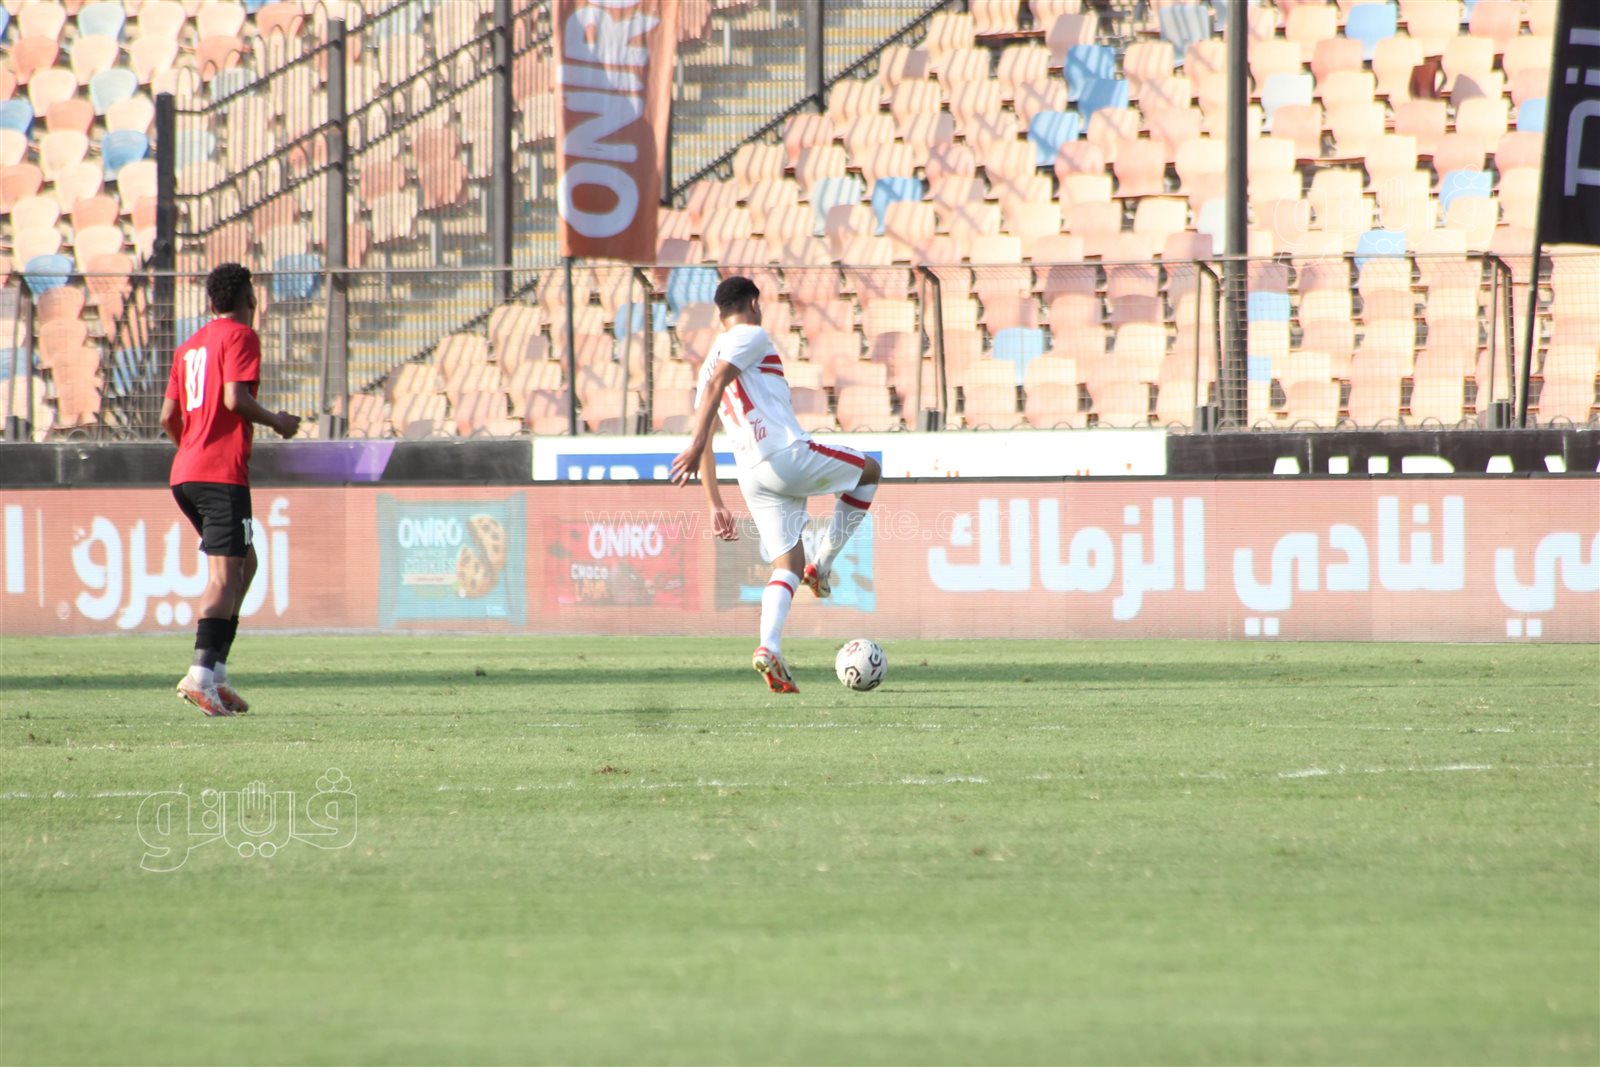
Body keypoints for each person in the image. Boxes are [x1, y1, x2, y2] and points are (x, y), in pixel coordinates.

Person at [670, 276, 881, 693]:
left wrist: (714, 503)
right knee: (870, 471)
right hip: (784, 454)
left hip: (751, 475)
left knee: (786, 566)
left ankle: (769, 647)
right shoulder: (750, 334)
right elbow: (714, 397)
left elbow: (708, 428)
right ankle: (823, 567)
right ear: (753, 303)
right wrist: (693, 445)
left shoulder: (707, 362)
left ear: (718, 313)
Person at [159, 263, 300, 716]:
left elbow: (167, 416)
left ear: (209, 302)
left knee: (245, 564)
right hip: (220, 474)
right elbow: (234, 398)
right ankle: (200, 677)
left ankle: (217, 675)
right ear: (249, 299)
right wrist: (278, 421)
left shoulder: (188, 347)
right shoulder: (241, 336)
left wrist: (191, 449)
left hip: (186, 473)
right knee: (224, 575)